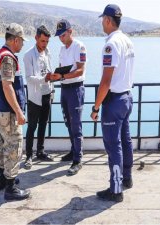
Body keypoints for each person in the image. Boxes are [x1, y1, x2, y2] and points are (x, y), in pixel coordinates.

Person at [90, 4, 134, 202]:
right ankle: (127, 179)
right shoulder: (127, 41)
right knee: (125, 140)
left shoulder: (111, 44)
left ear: (108, 20)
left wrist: (95, 107)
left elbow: (106, 81)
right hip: (127, 98)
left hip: (114, 102)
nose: (102, 23)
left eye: (102, 20)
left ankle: (115, 190)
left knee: (113, 145)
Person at [0, 23, 31, 201]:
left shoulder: (0, 54)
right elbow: (7, 86)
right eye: (21, 41)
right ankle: (11, 187)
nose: (22, 44)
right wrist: (19, 112)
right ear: (15, 40)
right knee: (14, 147)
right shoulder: (8, 58)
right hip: (9, 113)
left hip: (1, 111)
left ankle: (3, 178)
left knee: (4, 145)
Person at [50, 19, 86, 175]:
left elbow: (80, 71)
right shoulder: (62, 49)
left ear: (70, 31)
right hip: (64, 88)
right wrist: (56, 76)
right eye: (59, 35)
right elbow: (62, 70)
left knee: (76, 125)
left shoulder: (79, 46)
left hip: (75, 89)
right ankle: (73, 150)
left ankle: (78, 159)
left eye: (63, 35)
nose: (61, 38)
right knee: (68, 123)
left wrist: (62, 75)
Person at [23, 25, 54, 169]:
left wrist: (52, 81)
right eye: (42, 41)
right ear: (36, 38)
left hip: (47, 94)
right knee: (32, 126)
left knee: (43, 124)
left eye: (47, 41)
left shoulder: (48, 52)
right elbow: (29, 78)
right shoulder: (28, 55)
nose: (44, 44)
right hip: (35, 97)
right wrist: (44, 79)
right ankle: (28, 155)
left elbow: (49, 71)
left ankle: (40, 152)